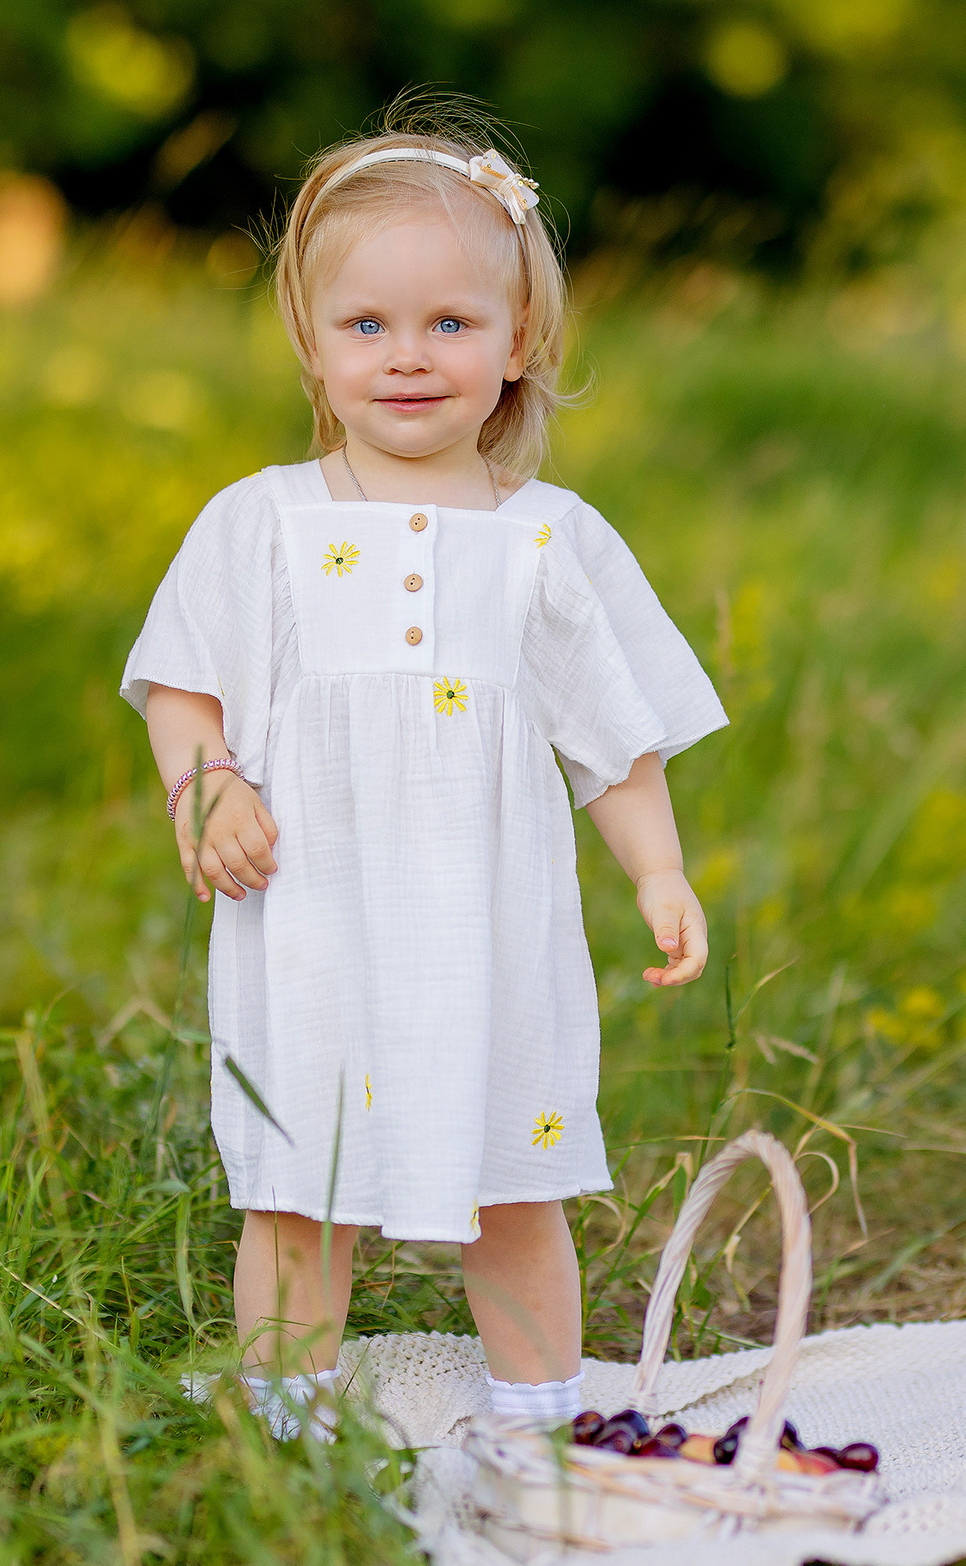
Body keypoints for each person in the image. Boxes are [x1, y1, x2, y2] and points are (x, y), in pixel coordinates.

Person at [120, 103, 725, 1440]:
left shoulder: (550, 539)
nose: (409, 358)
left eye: (451, 324)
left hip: (489, 929)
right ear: (313, 345)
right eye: (368, 327)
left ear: (519, 344)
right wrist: (204, 781)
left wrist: (661, 867)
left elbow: (611, 736)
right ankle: (288, 1425)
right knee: (300, 1186)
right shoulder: (262, 522)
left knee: (517, 1180)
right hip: (313, 923)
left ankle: (539, 1423)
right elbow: (182, 681)